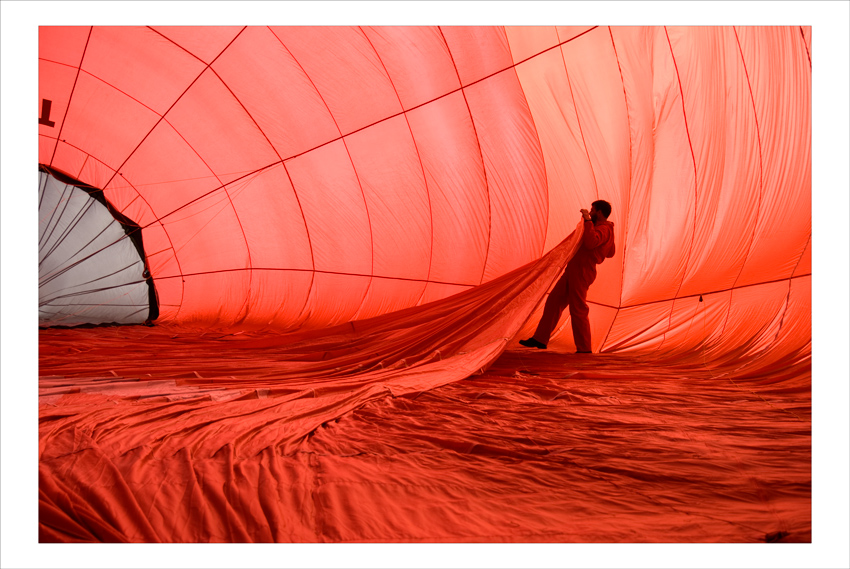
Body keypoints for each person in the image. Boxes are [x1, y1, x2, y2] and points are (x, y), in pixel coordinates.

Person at [520, 200, 615, 354]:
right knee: (554, 301)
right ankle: (540, 339)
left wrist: (588, 222)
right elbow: (611, 252)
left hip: (583, 271)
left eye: (592, 210)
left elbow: (591, 243)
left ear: (599, 212)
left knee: (578, 309)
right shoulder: (606, 230)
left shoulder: (604, 228)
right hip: (574, 270)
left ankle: (584, 349)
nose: (590, 213)